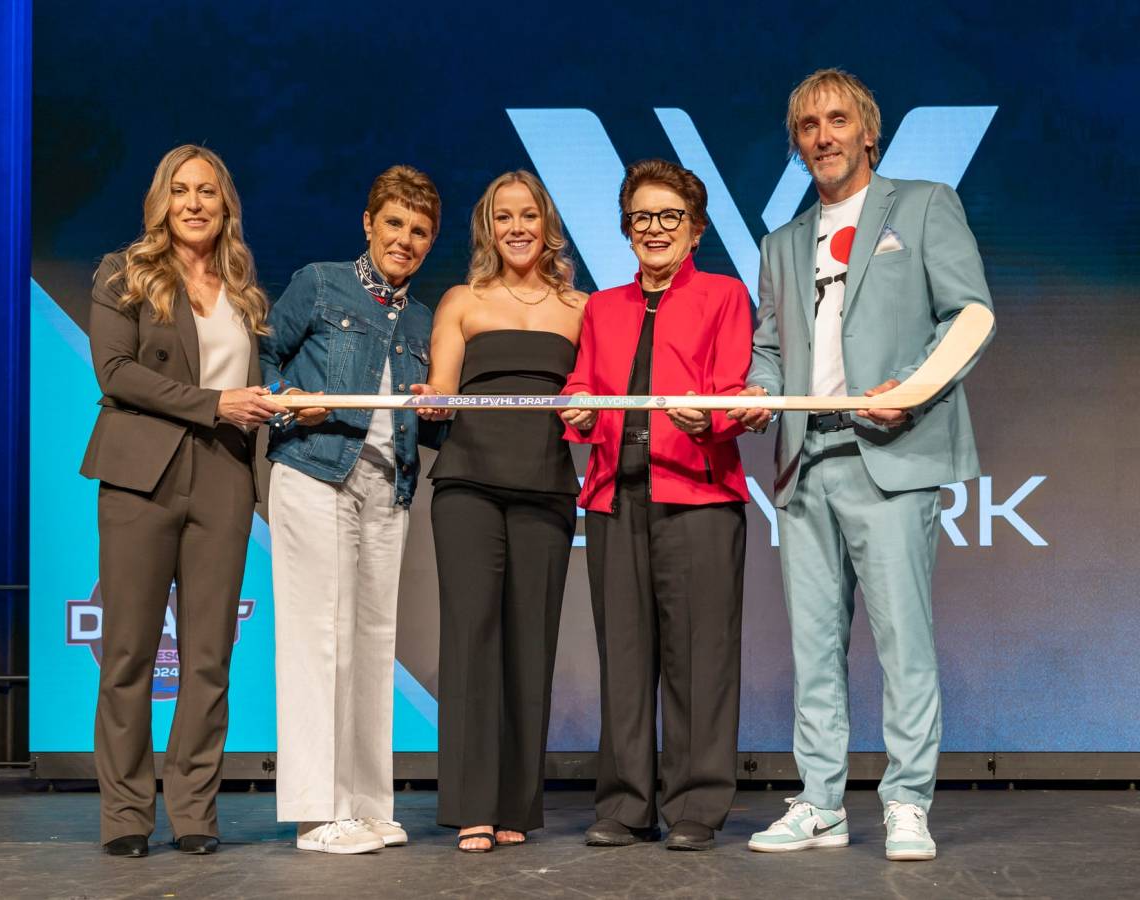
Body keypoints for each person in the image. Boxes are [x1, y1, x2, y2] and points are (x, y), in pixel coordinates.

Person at [734, 69, 994, 862]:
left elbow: (972, 312)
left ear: (867, 132)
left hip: (891, 457)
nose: (822, 135)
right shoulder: (780, 243)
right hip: (804, 463)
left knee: (902, 642)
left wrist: (911, 393)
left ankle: (907, 801)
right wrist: (758, 391)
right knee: (813, 647)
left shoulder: (921, 205)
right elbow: (773, 349)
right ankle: (820, 802)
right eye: (808, 124)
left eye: (837, 119)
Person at [81, 144, 284, 858]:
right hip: (142, 477)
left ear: (226, 203)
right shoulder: (125, 273)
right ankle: (127, 816)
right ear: (161, 202)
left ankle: (194, 812)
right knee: (130, 655)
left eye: (207, 191)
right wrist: (214, 403)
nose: (194, 203)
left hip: (224, 477)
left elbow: (256, 389)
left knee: (207, 659)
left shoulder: (244, 288)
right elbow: (116, 374)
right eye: (180, 190)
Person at [560, 159, 753, 852]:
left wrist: (714, 419)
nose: (655, 229)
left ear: (696, 228)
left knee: (700, 658)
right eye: (642, 217)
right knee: (625, 655)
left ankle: (696, 805)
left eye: (670, 216)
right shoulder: (602, 306)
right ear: (625, 228)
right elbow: (582, 384)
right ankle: (624, 803)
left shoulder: (725, 295)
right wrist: (576, 411)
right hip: (615, 495)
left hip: (697, 496)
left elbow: (733, 387)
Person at [259, 165, 443, 855]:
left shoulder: (422, 319)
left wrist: (436, 408)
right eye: (394, 223)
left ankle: (366, 804)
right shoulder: (320, 282)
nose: (405, 239)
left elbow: (427, 423)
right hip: (312, 469)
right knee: (316, 638)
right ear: (369, 222)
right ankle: (316, 812)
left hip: (385, 487)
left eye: (420, 231)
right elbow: (262, 349)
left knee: (372, 642)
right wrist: (283, 398)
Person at [422, 171, 587, 852]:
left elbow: (595, 396)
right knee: (471, 641)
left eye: (528, 215)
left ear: (547, 223)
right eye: (502, 217)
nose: (516, 228)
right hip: (468, 483)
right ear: (487, 229)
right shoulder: (462, 301)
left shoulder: (583, 307)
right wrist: (430, 400)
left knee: (530, 643)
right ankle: (471, 807)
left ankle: (517, 805)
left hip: (546, 484)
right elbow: (440, 387)